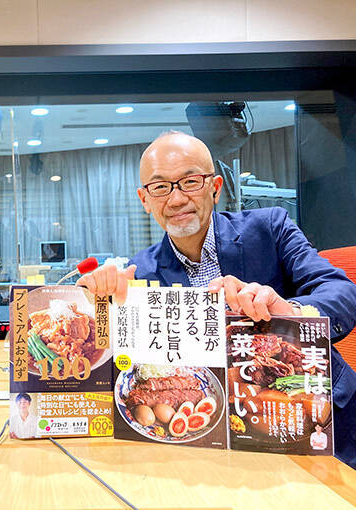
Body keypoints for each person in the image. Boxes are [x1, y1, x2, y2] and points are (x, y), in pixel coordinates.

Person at [78, 131, 356, 468]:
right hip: (213, 437)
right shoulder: (142, 272)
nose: (176, 199)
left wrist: (290, 313)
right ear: (145, 199)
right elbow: (132, 371)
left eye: (190, 182)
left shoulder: (270, 228)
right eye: (160, 186)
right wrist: (97, 309)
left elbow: (341, 291)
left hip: (317, 417)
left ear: (215, 187)